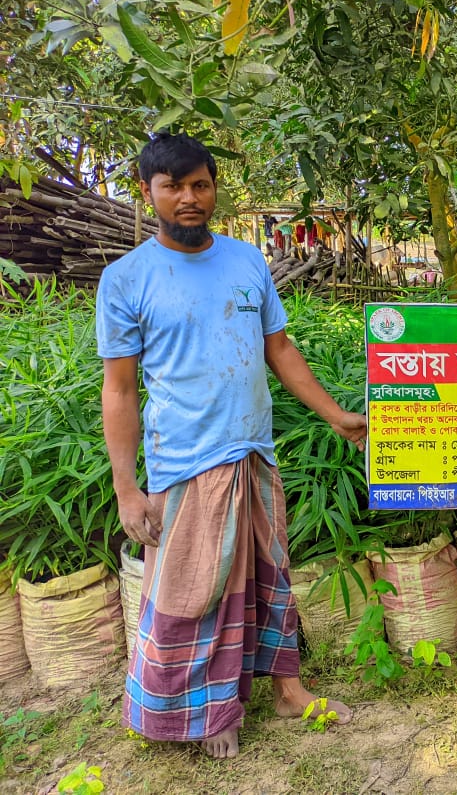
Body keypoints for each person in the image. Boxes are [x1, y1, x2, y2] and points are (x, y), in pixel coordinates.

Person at [97, 132, 367, 759]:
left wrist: (334, 415)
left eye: (200, 185)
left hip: (252, 451)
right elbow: (119, 390)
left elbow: (278, 349)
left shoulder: (248, 261)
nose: (188, 198)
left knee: (268, 576)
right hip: (184, 462)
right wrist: (126, 485)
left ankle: (289, 690)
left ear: (215, 189)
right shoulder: (126, 278)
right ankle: (206, 710)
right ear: (148, 193)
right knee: (195, 590)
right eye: (173, 187)